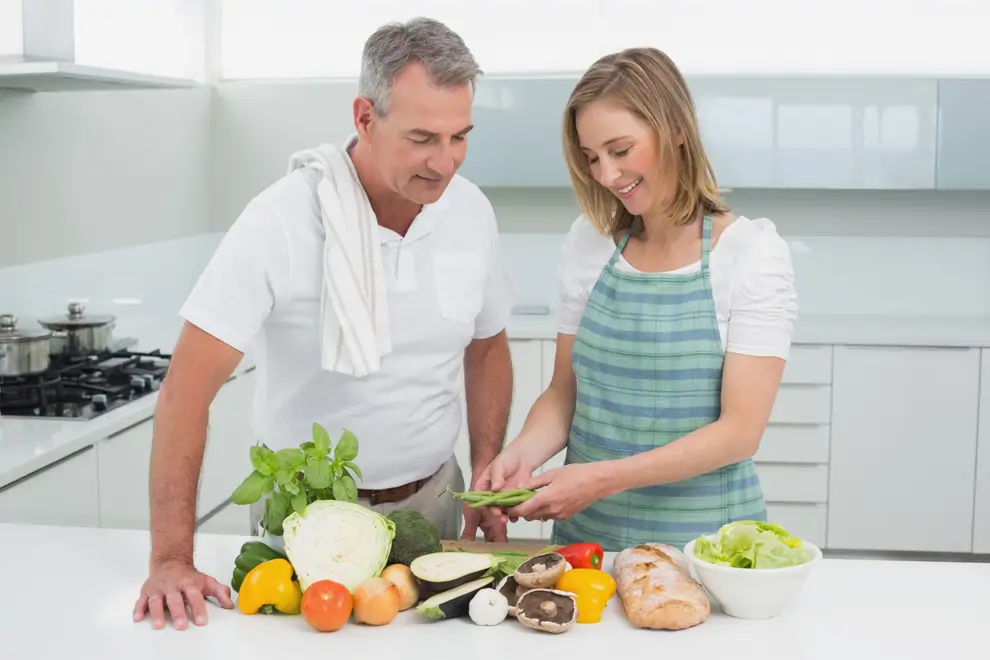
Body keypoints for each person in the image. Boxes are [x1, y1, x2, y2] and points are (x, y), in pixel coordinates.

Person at [133, 17, 516, 631]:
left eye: (459, 137)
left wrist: (487, 479)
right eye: (423, 138)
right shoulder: (280, 220)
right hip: (302, 519)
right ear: (365, 117)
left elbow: (488, 347)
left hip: (436, 510)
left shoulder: (470, 212)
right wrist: (171, 557)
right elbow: (184, 391)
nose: (445, 163)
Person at [476, 47, 798, 552]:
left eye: (620, 150)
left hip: (707, 550)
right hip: (588, 547)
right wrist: (521, 454)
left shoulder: (751, 255)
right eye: (591, 158)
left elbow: (740, 431)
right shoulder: (589, 244)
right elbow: (564, 395)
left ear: (675, 128)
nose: (606, 175)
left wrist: (600, 478)